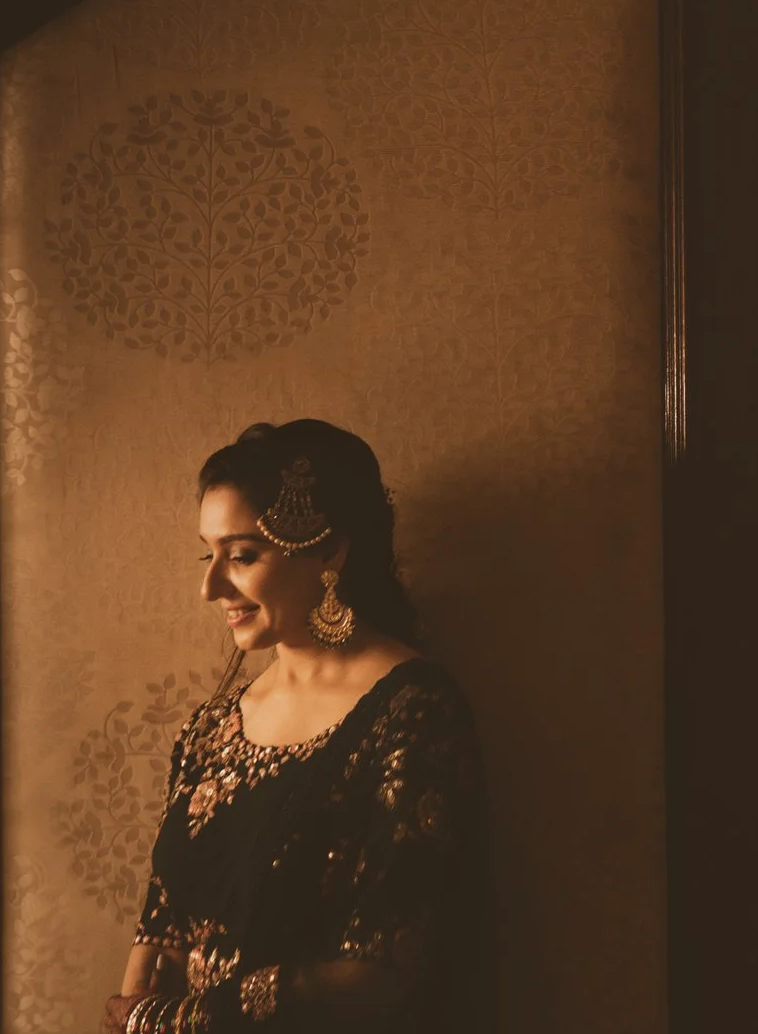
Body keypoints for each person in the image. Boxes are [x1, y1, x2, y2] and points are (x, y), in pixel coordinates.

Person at [100, 420, 484, 1033]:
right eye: (209, 553)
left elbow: (382, 970)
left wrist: (172, 1023)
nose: (210, 586)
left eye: (242, 556)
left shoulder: (410, 714)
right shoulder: (213, 726)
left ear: (330, 551)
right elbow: (163, 924)